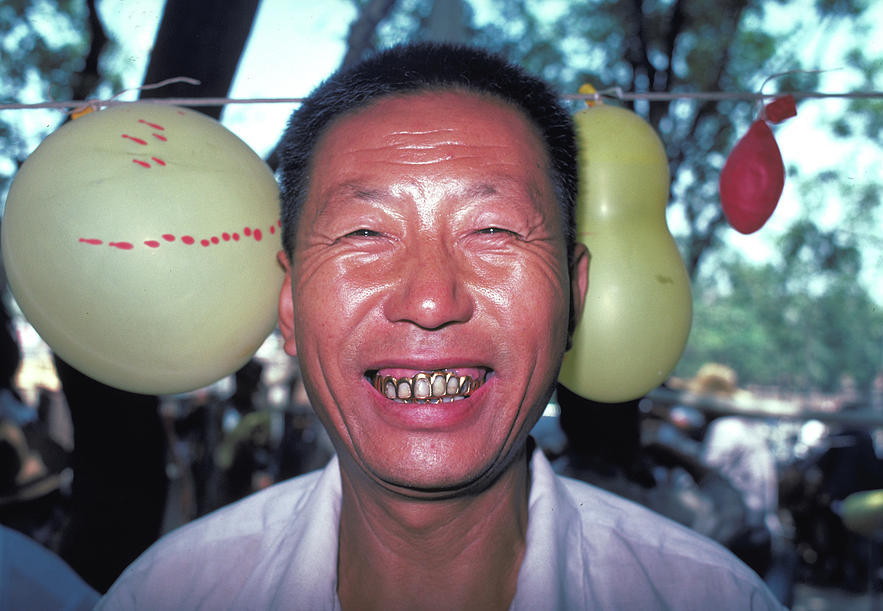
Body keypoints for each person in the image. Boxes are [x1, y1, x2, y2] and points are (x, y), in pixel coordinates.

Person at [97, 42, 783, 610]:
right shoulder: (167, 594)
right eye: (365, 231)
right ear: (289, 307)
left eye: (492, 230)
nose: (430, 300)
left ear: (574, 294)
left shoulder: (710, 597)